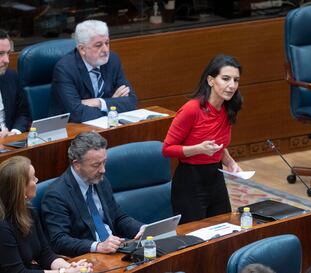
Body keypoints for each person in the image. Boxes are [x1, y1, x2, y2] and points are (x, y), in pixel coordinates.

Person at [162, 54, 243, 223]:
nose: (231, 85)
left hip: (215, 176)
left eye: (235, 80)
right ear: (211, 80)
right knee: (195, 238)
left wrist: (230, 163)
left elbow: (219, 146)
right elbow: (167, 149)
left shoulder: (229, 108)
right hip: (190, 180)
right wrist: (199, 149)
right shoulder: (191, 109)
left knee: (224, 230)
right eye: (226, 79)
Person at [41, 131, 143, 257]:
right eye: (96, 165)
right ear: (77, 164)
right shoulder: (56, 195)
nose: (103, 170)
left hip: (114, 250)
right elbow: (59, 241)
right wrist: (97, 246)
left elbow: (117, 217)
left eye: (104, 162)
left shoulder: (101, 181)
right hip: (88, 257)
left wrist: (141, 229)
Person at [0, 156, 92, 273]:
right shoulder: (2, 226)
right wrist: (63, 272)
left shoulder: (29, 211)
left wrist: (70, 267)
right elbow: (17, 272)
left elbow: (45, 254)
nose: (37, 180)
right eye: (33, 179)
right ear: (21, 189)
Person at [50, 20, 137, 123]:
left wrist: (99, 103)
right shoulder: (65, 69)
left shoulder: (112, 60)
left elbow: (131, 101)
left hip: (104, 126)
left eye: (107, 43)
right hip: (71, 129)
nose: (105, 50)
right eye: (98, 45)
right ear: (82, 49)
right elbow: (77, 113)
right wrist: (112, 105)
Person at [0, 30, 31, 137]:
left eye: (8, 53)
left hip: (11, 142)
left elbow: (24, 114)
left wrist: (15, 132)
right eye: (0, 54)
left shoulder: (11, 77)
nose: (7, 60)